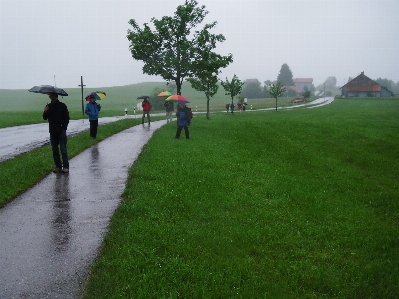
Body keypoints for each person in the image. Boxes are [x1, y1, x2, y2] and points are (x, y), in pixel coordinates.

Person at [43, 92, 70, 173]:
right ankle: (58, 166)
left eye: (54, 96)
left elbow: (67, 118)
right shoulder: (49, 106)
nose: (52, 97)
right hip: (52, 131)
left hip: (61, 130)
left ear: (56, 96)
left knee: (63, 149)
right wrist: (45, 111)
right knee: (54, 150)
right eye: (51, 96)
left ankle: (65, 167)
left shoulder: (62, 106)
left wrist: (63, 128)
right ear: (50, 97)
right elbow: (44, 117)